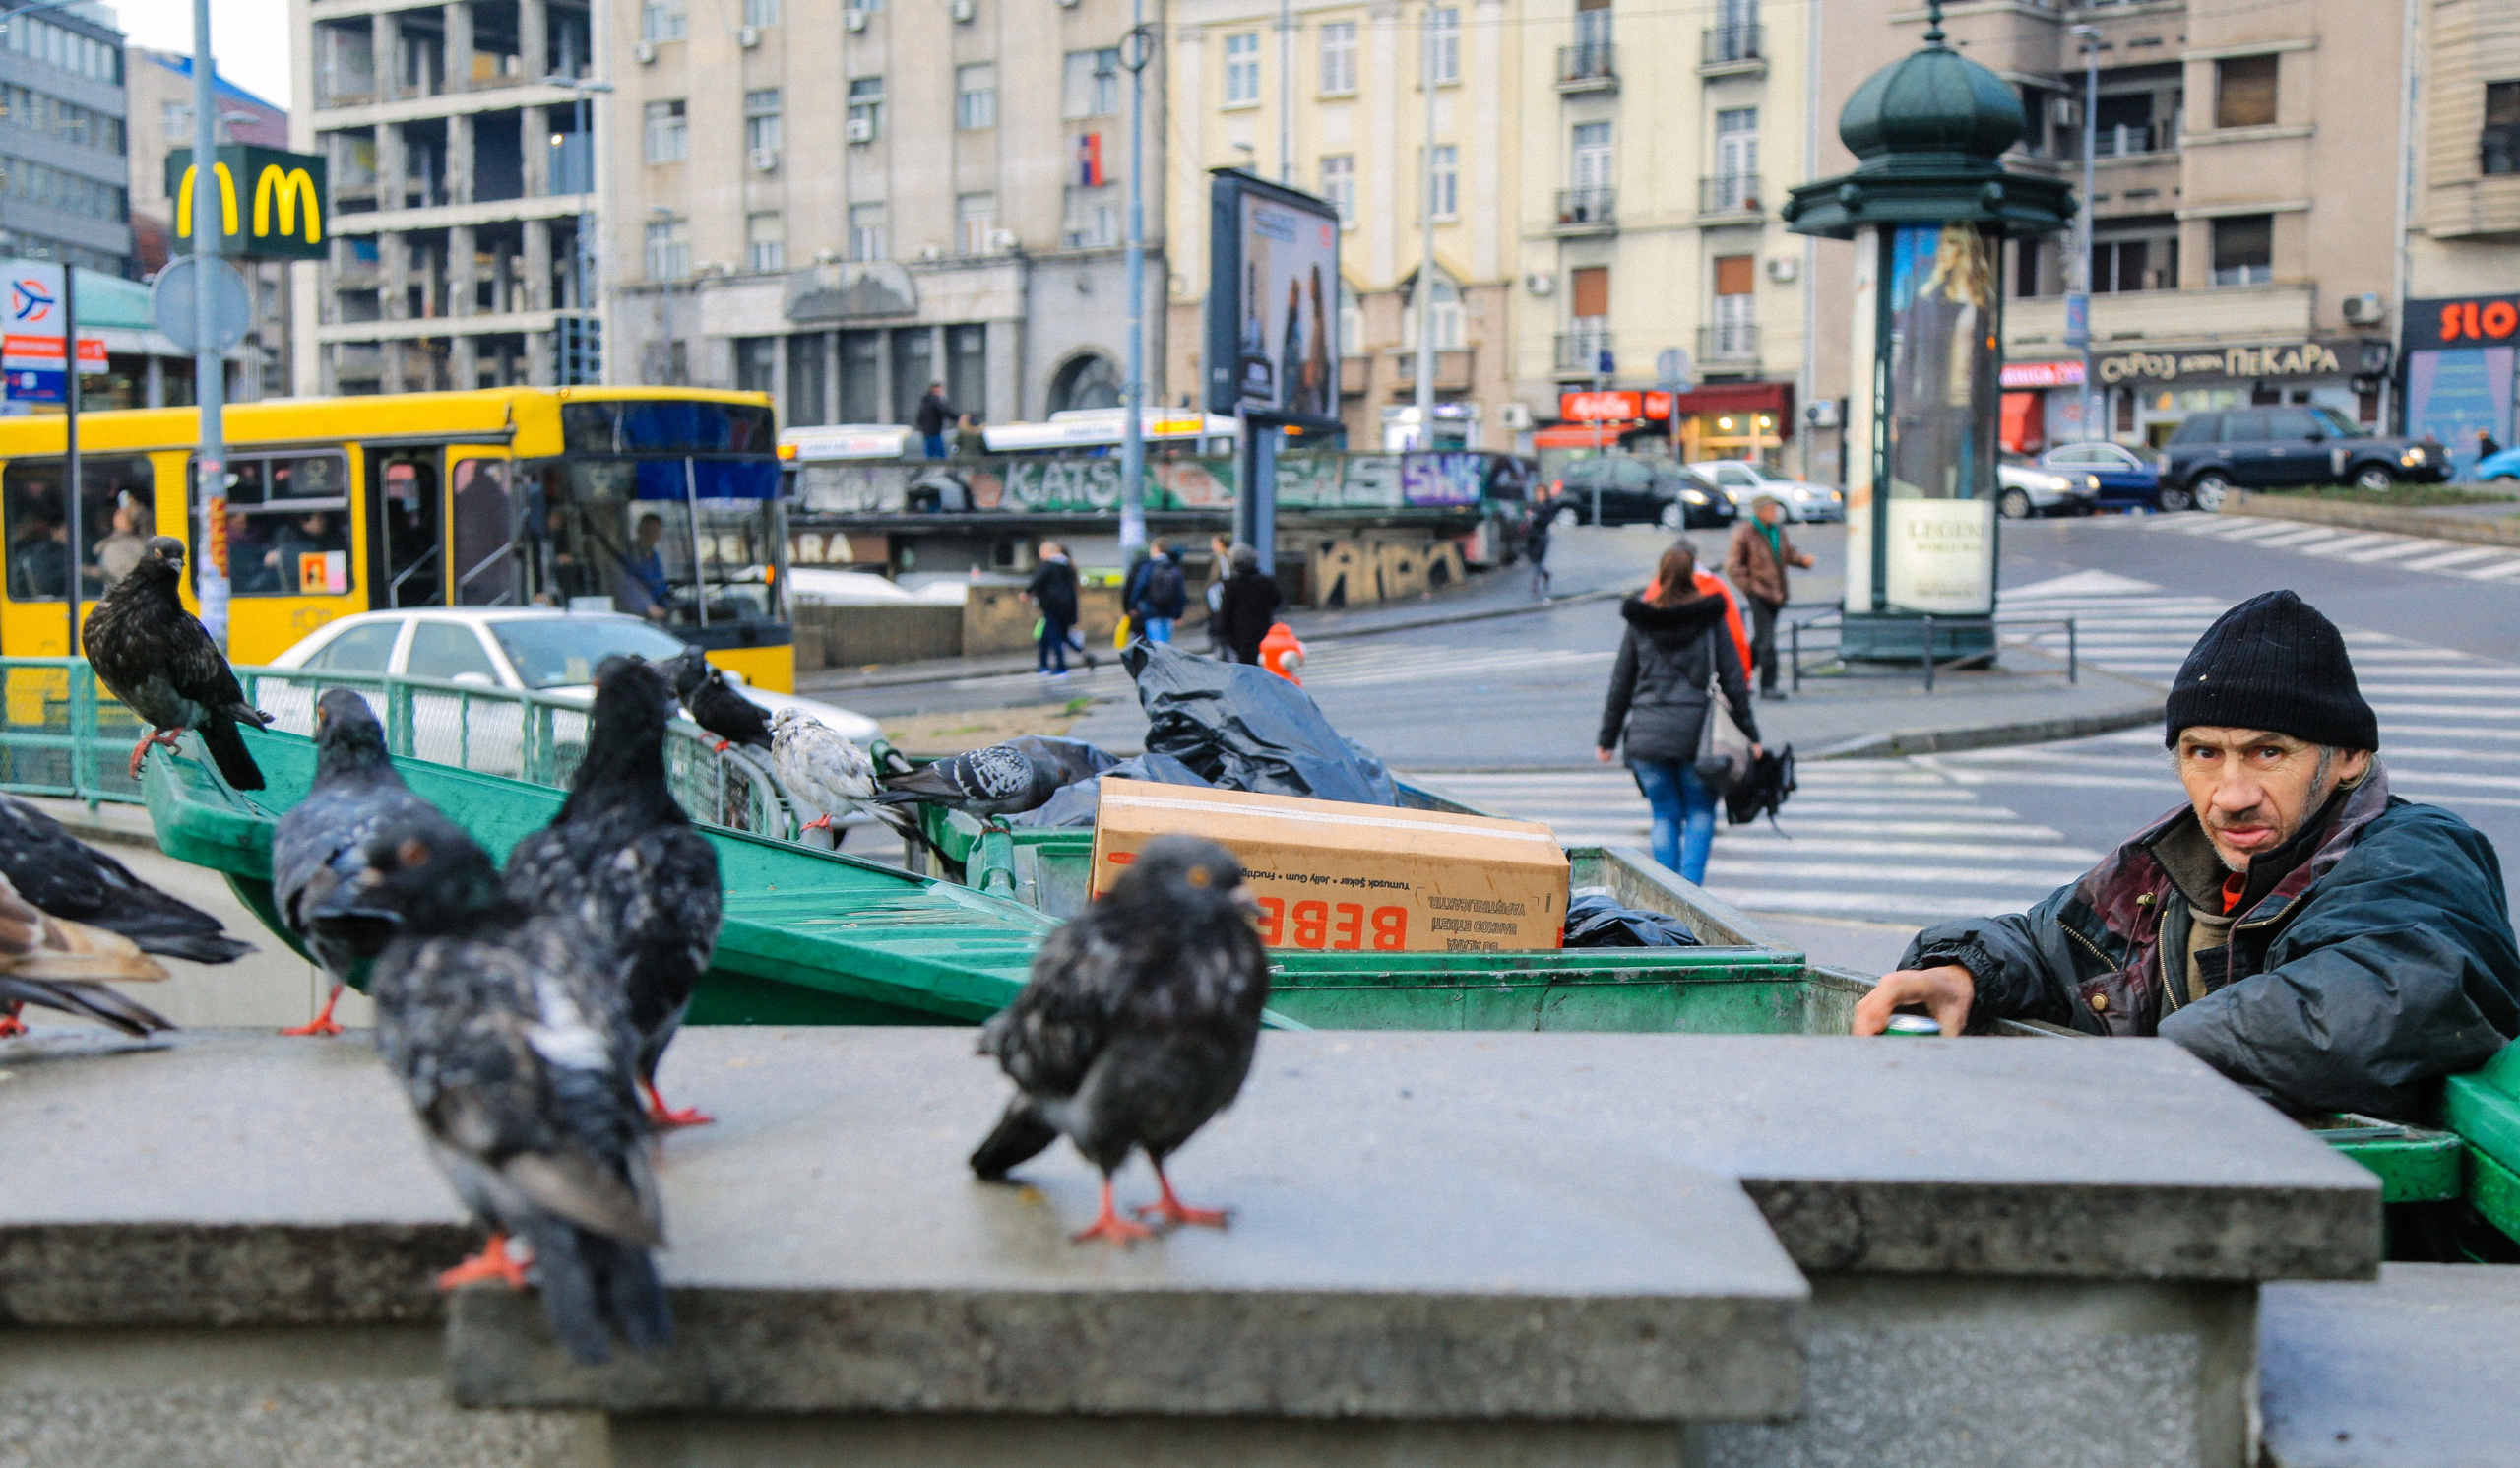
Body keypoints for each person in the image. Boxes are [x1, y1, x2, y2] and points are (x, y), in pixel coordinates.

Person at [1855, 591, 2520, 1122]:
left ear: (2349, 757)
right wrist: (1960, 972)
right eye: (2204, 753)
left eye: (2269, 752)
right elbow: (2047, 940)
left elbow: (2379, 997)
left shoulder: (2418, 851)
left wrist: (2150, 1067)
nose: (2231, 795)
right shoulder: (2169, 869)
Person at [1596, 543, 1760, 886]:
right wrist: (1751, 734)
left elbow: (1621, 683)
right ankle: (1691, 898)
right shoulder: (1710, 619)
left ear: (1660, 574)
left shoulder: (1640, 621)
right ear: (1694, 575)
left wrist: (1607, 739)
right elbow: (1733, 681)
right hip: (1698, 738)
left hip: (1647, 736)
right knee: (1700, 812)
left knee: (1664, 815)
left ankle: (1668, 895)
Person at [1724, 495, 1815, 701]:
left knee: (1760, 640)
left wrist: (1803, 561)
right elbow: (1733, 565)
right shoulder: (1746, 532)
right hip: (1759, 592)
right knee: (1767, 640)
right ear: (1760, 511)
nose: (1775, 513)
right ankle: (1768, 685)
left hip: (1776, 593)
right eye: (1771, 510)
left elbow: (1787, 554)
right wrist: (1750, 588)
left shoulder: (1777, 530)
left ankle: (1737, 678)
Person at [1216, 543, 1283, 665]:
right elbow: (1277, 601)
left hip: (1239, 635)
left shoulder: (1232, 583)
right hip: (1263, 631)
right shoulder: (1265, 581)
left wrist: (1221, 631)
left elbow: (1226, 610)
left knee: (1245, 667)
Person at [1025, 540, 1081, 676]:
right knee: (1048, 635)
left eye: (1041, 552)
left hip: (1051, 606)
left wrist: (1026, 593)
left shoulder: (1048, 565)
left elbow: (1037, 580)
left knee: (1056, 636)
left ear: (1047, 552)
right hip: (1067, 607)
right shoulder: (1068, 566)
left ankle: (1061, 667)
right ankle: (1043, 665)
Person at [268, 511, 346, 593]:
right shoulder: (289, 537)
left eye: (323, 517)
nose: (323, 522)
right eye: (319, 519)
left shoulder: (335, 539)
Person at [1129, 538, 1187, 644]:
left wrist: (1133, 606)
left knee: (1156, 644)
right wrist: (1179, 615)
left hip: (1152, 611)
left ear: (1155, 549)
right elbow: (1181, 593)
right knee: (1165, 643)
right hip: (1170, 612)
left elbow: (1140, 587)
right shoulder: (1173, 568)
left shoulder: (1148, 567)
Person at [622, 512, 675, 621]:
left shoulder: (656, 557)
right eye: (646, 531)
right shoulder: (628, 558)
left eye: (654, 531)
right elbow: (626, 587)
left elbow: (661, 586)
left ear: (659, 535)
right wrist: (646, 607)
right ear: (639, 531)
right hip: (641, 615)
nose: (650, 535)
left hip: (662, 608)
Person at [93, 498, 153, 588]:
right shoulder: (115, 546)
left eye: (122, 513)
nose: (118, 513)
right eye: (119, 512)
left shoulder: (134, 543)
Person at [12, 513, 67, 598]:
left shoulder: (83, 549)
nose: (54, 531)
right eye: (56, 528)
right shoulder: (42, 551)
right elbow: (44, 582)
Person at [1205, 534, 1234, 656]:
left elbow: (1221, 578)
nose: (1212, 546)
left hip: (1219, 599)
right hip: (1222, 598)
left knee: (1218, 626)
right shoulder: (1228, 557)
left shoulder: (1221, 558)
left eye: (1214, 543)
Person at [916, 382, 953, 459]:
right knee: (941, 456)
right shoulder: (935, 401)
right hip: (934, 432)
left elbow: (920, 418)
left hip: (926, 433)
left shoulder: (925, 402)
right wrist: (959, 418)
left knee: (929, 456)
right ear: (935, 390)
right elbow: (945, 411)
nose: (942, 393)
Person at [1525, 513, 1552, 599]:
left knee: (1537, 564)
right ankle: (1545, 574)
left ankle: (1534, 583)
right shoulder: (1530, 526)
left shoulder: (1540, 521)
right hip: (1534, 544)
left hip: (1540, 543)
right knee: (1537, 564)